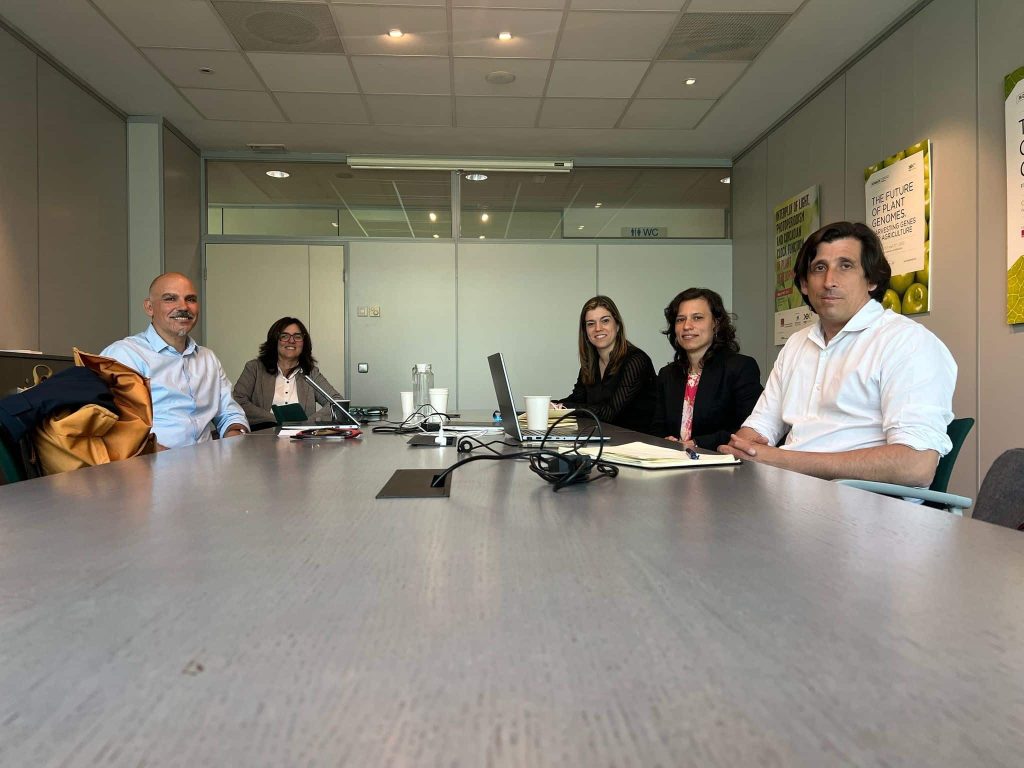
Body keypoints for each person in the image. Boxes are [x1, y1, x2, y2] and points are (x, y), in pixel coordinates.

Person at [719, 221, 956, 488]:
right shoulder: (797, 343)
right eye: (819, 268)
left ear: (871, 280)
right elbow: (760, 427)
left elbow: (915, 466)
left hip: (868, 504)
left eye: (846, 266)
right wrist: (744, 447)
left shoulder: (907, 342)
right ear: (804, 284)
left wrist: (781, 460)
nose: (829, 282)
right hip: (789, 494)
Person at [101, 272, 248, 449]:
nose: (183, 307)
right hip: (150, 462)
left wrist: (235, 437)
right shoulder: (125, 355)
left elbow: (229, 412)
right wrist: (164, 456)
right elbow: (112, 427)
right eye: (170, 299)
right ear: (149, 307)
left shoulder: (208, 358)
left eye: (190, 299)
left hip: (207, 462)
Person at [650, 288, 762, 450]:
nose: (687, 326)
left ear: (716, 323)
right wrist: (665, 440)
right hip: (672, 459)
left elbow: (750, 428)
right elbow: (656, 427)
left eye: (697, 318)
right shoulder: (667, 374)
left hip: (719, 460)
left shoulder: (740, 368)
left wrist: (697, 443)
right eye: (680, 319)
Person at [554, 295, 656, 433]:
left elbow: (609, 413)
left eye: (605, 321)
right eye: (591, 323)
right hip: (603, 437)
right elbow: (577, 400)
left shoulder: (636, 360)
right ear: (585, 331)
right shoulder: (590, 363)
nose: (598, 328)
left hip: (637, 441)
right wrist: (549, 406)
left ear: (617, 325)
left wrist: (563, 408)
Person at [232, 317, 344, 428]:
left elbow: (338, 402)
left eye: (297, 336)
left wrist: (308, 423)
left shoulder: (311, 373)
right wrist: (277, 419)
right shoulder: (254, 368)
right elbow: (238, 400)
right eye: (284, 336)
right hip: (263, 434)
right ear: (275, 340)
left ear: (304, 343)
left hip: (301, 436)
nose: (291, 341)